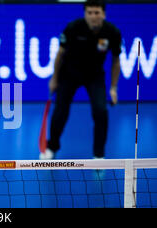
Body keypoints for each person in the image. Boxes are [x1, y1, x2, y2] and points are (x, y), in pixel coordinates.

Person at [41, 0, 121, 160]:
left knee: (101, 111)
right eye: (89, 12)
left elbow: (116, 61)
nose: (93, 16)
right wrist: (54, 79)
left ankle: (99, 155)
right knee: (60, 113)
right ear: (85, 13)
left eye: (96, 12)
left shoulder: (112, 32)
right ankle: (52, 147)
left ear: (103, 14)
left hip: (95, 76)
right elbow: (59, 55)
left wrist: (113, 88)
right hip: (69, 74)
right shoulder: (73, 28)